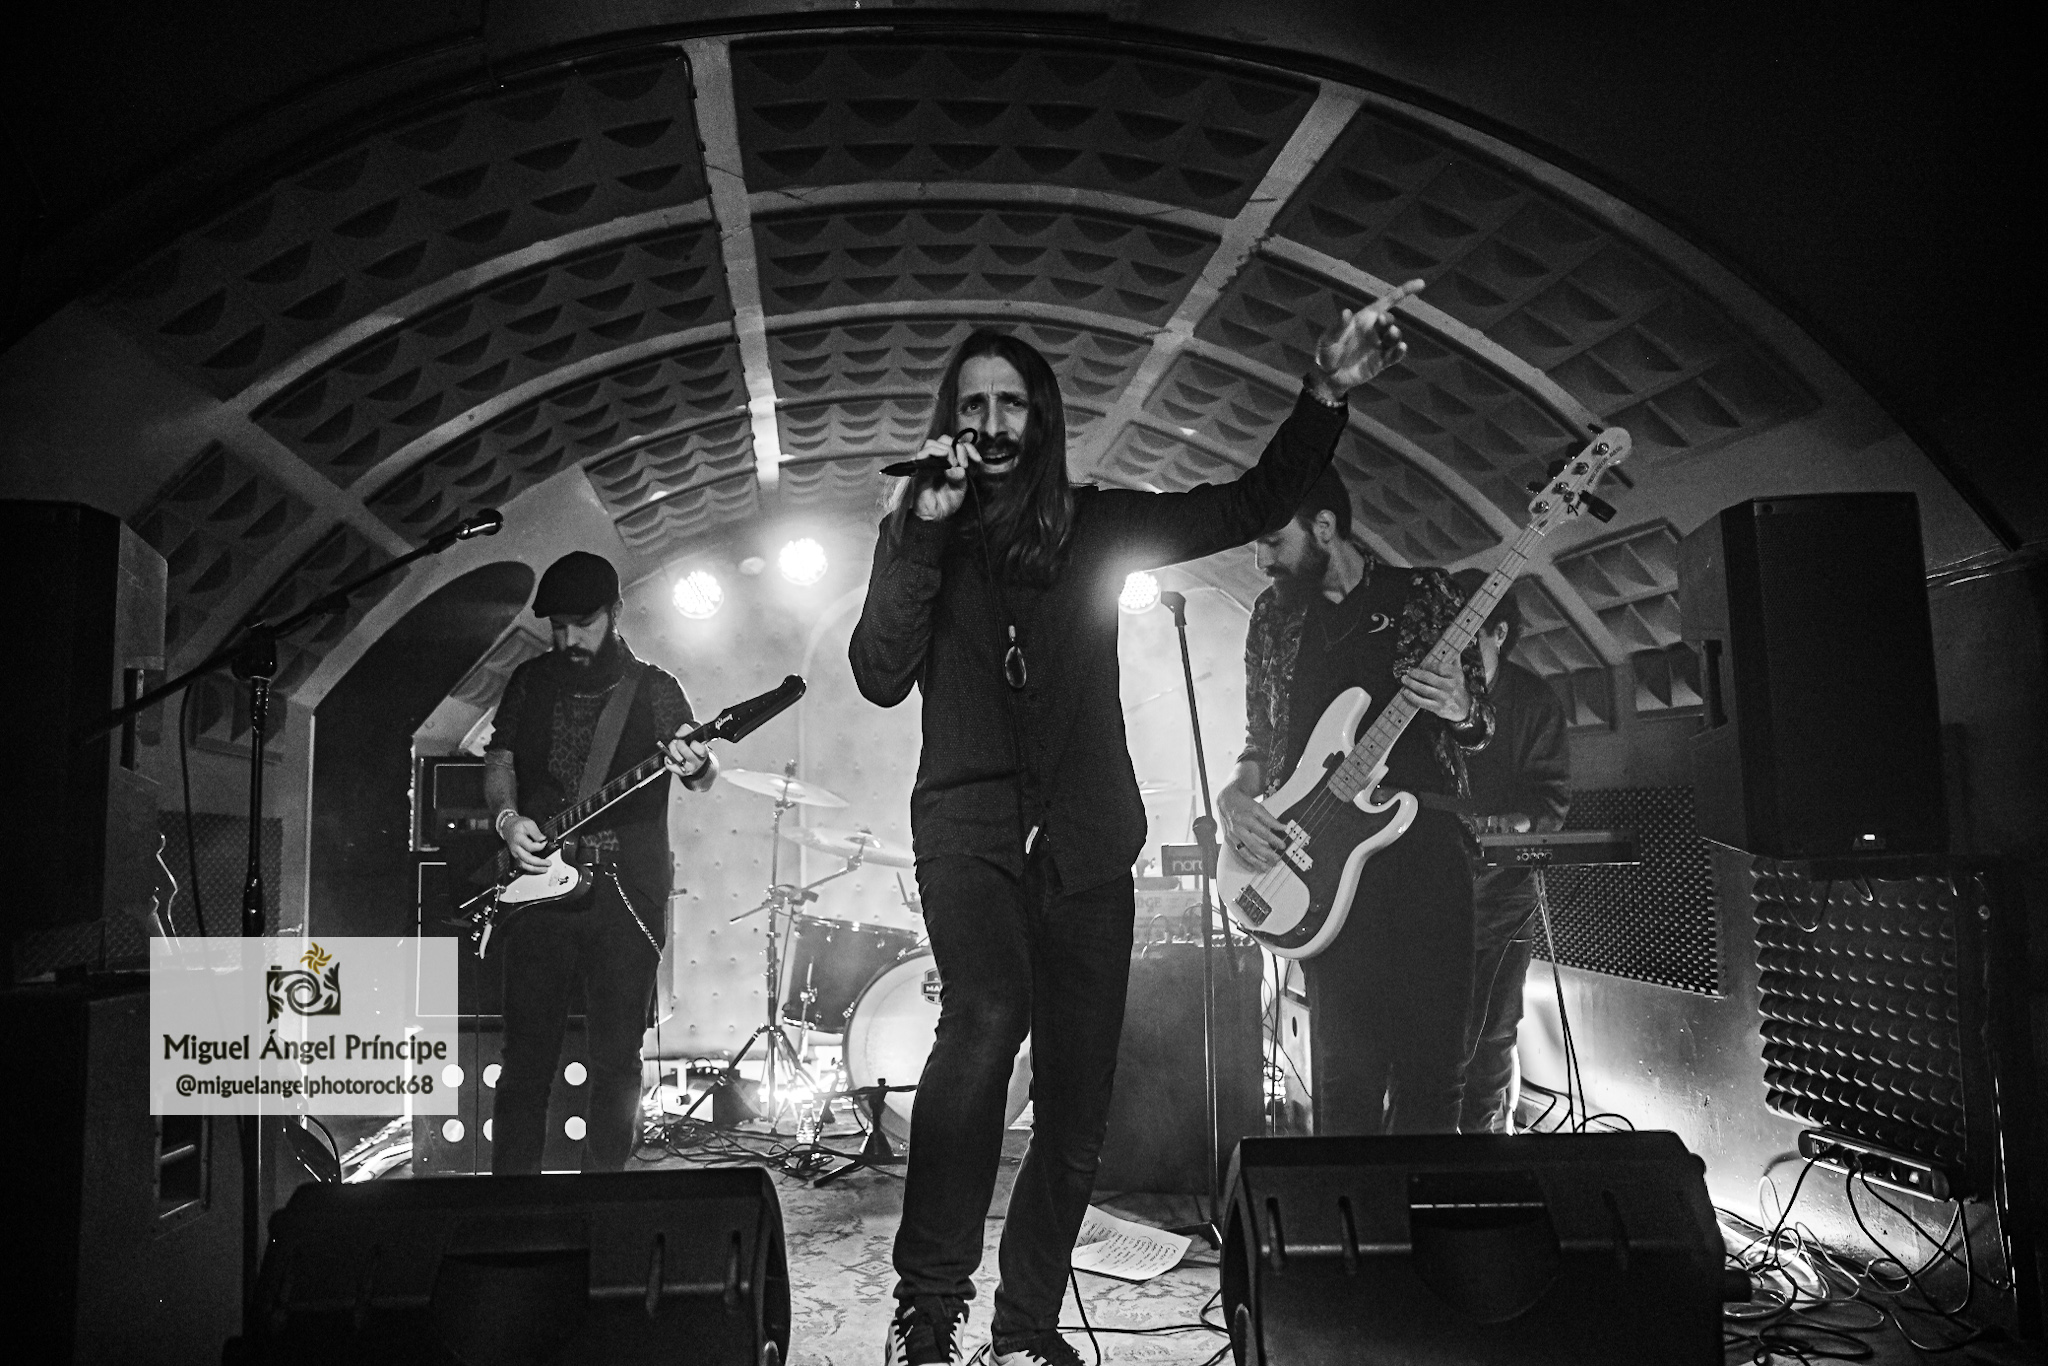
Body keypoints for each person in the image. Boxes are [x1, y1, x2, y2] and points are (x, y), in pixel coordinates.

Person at [849, 281, 1421, 1366]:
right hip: (966, 832)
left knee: (1078, 1100)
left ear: (1040, 418)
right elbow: (878, 673)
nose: (990, 424)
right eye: (971, 405)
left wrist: (1323, 392)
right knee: (984, 1018)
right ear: (949, 422)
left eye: (1009, 403)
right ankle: (927, 1307)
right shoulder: (919, 534)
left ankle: (1024, 1326)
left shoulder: (1098, 527)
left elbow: (1247, 504)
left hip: (1085, 839)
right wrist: (917, 534)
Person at [1218, 468, 1491, 1137]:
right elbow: (1260, 739)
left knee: (1435, 1070)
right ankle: (1349, 1204)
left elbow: (1479, 725)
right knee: (1344, 1075)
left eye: (1273, 541)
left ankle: (1424, 1202)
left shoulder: (1425, 593)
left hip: (1426, 851)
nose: (1261, 560)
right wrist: (1235, 794)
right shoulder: (1273, 617)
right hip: (1322, 861)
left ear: (1324, 527)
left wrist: (1460, 706)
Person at [484, 550, 716, 1174]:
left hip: (624, 893)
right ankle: (510, 1203)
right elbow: (500, 758)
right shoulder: (530, 682)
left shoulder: (655, 688)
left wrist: (700, 765)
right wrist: (507, 820)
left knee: (617, 1062)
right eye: (558, 626)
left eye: (582, 624)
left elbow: (699, 770)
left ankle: (604, 1198)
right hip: (539, 887)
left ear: (615, 612)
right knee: (525, 1059)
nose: (568, 640)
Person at [1447, 569, 1570, 1134]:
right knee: (1431, 1033)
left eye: (1467, 632)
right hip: (1433, 890)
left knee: (1493, 1033)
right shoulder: (1432, 696)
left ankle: (1484, 1143)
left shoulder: (1535, 702)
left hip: (1502, 896)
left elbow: (1551, 802)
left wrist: (1504, 824)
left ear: (1498, 633)